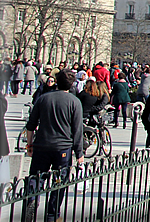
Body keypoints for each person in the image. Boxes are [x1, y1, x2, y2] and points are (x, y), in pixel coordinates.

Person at [24, 70, 84, 221]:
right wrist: (79, 153)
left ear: (56, 81)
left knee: (36, 177)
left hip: (42, 144)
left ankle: (31, 200)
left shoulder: (43, 99)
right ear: (71, 84)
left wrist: (29, 144)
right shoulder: (74, 102)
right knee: (60, 182)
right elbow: (77, 130)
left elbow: (31, 125)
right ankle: (52, 213)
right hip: (62, 147)